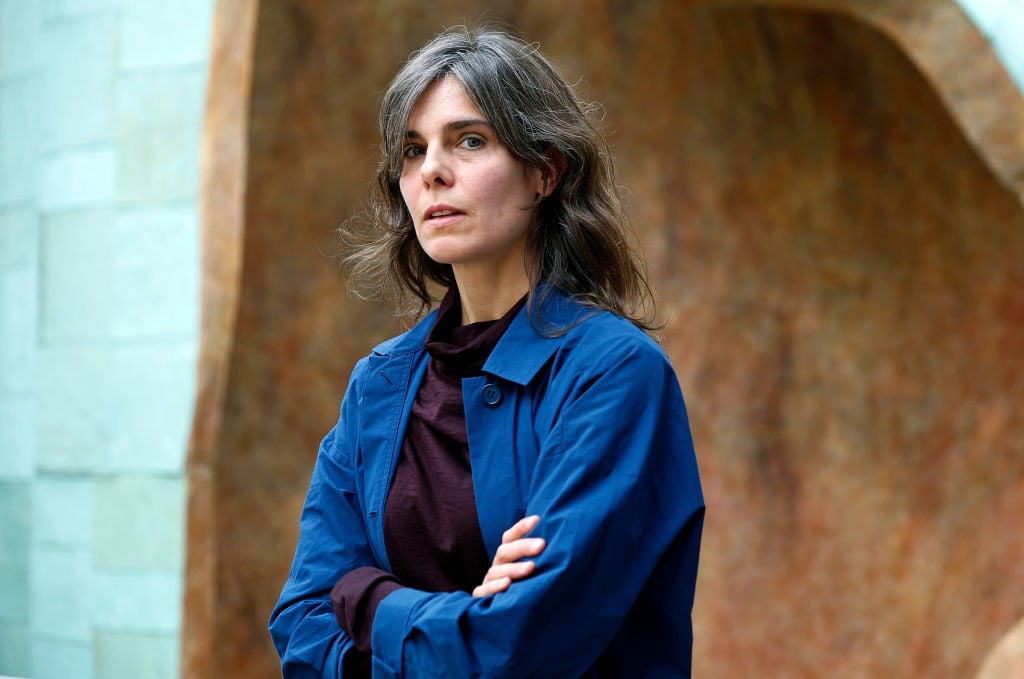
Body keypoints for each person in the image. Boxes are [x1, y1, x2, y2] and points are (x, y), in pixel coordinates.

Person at [269, 25, 704, 678]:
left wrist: (369, 598)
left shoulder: (615, 374)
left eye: (469, 140)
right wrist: (463, 613)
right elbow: (301, 624)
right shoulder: (379, 385)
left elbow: (519, 650)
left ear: (544, 172)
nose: (433, 172)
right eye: (413, 151)